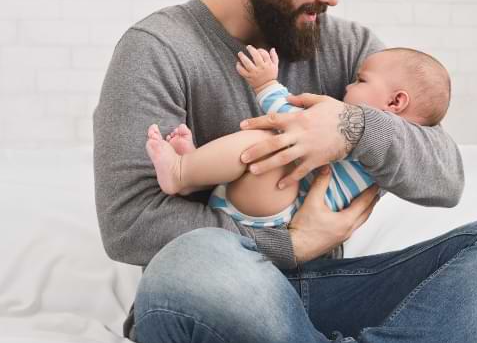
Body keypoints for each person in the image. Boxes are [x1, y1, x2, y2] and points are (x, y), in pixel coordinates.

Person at [93, 0, 477, 343]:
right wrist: (291, 245)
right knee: (197, 258)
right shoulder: (157, 49)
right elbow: (129, 224)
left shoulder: (352, 49)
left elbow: (445, 176)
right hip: (215, 290)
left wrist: (352, 127)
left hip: (325, 292)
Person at [146, 45, 451, 227]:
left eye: (361, 80)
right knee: (269, 150)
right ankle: (198, 171)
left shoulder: (369, 147)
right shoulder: (388, 155)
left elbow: (292, 120)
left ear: (395, 102)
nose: (347, 86)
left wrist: (265, 84)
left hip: (278, 217)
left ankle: (181, 173)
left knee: (267, 142)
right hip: (267, 206)